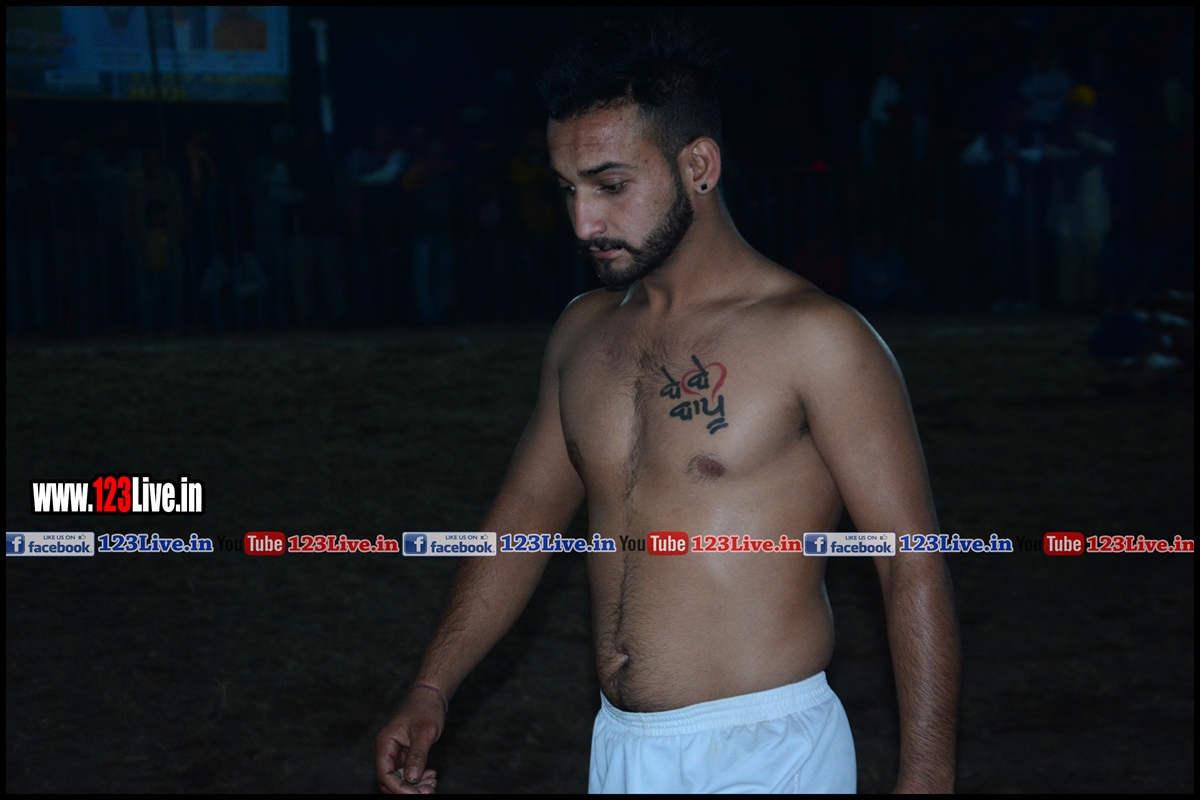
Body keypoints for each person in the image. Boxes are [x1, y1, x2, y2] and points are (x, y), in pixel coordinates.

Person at [375, 19, 959, 795]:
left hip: (767, 752)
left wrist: (927, 778)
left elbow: (911, 564)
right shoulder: (582, 332)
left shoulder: (818, 339)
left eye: (611, 185)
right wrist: (433, 685)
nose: (584, 223)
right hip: (621, 749)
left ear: (699, 166)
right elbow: (524, 518)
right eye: (569, 189)